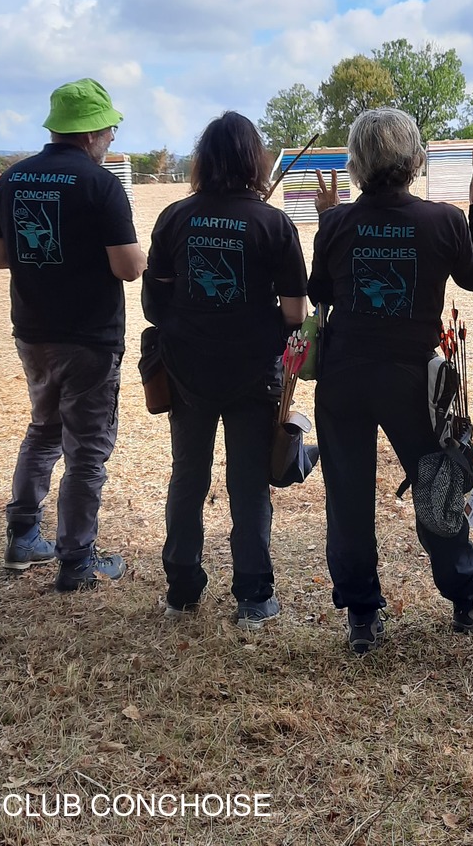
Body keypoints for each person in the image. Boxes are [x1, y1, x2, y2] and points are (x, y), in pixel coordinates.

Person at [307, 107, 473, 654]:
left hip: (344, 376)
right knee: (437, 483)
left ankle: (361, 617)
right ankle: (467, 596)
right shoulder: (441, 220)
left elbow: (319, 292)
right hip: (411, 380)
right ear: (415, 159)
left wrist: (328, 220)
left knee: (347, 497)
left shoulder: (337, 223)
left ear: (356, 165)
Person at [144, 111, 308, 629]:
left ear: (204, 161)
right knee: (249, 484)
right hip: (252, 375)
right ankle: (254, 598)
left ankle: (181, 590)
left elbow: (154, 304)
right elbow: (296, 315)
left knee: (188, 476)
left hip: (186, 371)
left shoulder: (174, 217)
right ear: (254, 161)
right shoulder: (273, 224)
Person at [0, 78, 147, 591]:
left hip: (33, 331)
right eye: (111, 130)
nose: (112, 138)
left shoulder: (12, 179)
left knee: (44, 429)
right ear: (92, 132)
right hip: (90, 338)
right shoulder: (101, 184)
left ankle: (23, 537)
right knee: (87, 451)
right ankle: (77, 561)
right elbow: (127, 268)